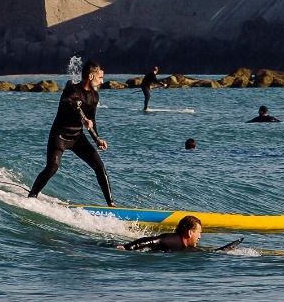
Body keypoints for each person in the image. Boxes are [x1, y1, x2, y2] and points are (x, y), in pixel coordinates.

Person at [28, 59, 114, 205]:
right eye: (100, 77)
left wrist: (97, 139)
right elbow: (70, 102)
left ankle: (111, 204)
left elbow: (92, 120)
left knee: (99, 166)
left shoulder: (94, 96)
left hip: (77, 137)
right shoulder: (72, 90)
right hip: (60, 135)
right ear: (91, 76)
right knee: (53, 167)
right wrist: (83, 119)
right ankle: (32, 196)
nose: (102, 81)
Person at [119, 215, 202, 252]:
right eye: (199, 232)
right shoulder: (171, 240)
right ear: (190, 233)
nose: (200, 236)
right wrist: (127, 247)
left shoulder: (186, 246)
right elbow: (151, 240)